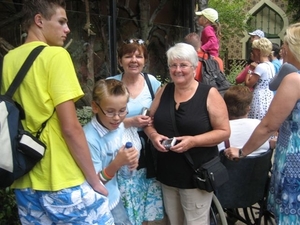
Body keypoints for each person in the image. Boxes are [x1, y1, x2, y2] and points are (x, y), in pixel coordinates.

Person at [1, 0, 113, 224]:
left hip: (25, 180)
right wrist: (94, 180)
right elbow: (70, 128)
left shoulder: (9, 59)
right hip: (61, 177)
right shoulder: (56, 56)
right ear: (39, 21)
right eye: (62, 22)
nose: (67, 29)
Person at [144, 43, 230, 225]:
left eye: (183, 65)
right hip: (168, 174)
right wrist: (153, 135)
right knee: (174, 222)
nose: (178, 70)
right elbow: (148, 121)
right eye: (173, 65)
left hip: (196, 175)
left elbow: (224, 132)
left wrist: (194, 141)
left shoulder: (209, 94)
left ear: (194, 67)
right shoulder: (164, 90)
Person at [224, 22, 300, 224]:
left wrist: (242, 152)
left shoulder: (294, 79)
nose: (282, 50)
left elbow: (268, 125)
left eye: (285, 44)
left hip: (295, 158)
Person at [109, 38, 164, 225]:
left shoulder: (152, 82)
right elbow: (102, 120)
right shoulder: (110, 85)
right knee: (125, 201)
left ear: (145, 60)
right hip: (121, 152)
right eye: (128, 56)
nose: (134, 60)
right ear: (120, 60)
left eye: (138, 56)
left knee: (146, 202)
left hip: (148, 153)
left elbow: (159, 114)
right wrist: (131, 121)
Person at [83, 79, 140, 225]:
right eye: (110, 112)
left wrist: (130, 162)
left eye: (122, 111)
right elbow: (93, 184)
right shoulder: (89, 139)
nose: (117, 118)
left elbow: (125, 173)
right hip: (97, 205)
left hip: (114, 197)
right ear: (95, 107)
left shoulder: (118, 126)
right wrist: (117, 163)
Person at [218, 85, 270, 156]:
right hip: (261, 166)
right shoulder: (259, 125)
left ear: (225, 107)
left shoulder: (221, 131)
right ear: (248, 108)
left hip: (231, 166)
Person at [245, 37, 275, 119]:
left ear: (258, 51)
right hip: (269, 97)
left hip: (259, 99)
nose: (252, 52)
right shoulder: (271, 65)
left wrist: (250, 70)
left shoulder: (260, 67)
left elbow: (248, 84)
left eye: (253, 50)